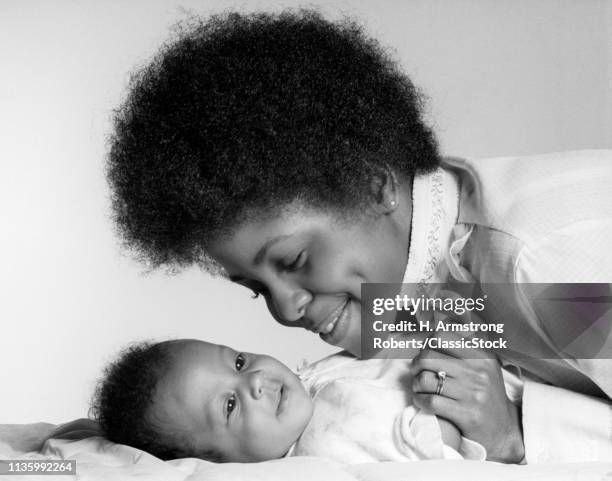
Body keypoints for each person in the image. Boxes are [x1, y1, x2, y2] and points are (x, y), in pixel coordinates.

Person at [105, 10, 612, 463]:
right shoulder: (394, 298)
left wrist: (513, 439)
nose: (285, 311)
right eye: (255, 288)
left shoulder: (537, 265)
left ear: (373, 184)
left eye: (294, 258)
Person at [93, 338, 510, 463]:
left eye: (238, 361)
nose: (255, 380)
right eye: (229, 406)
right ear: (218, 462)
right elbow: (441, 454)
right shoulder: (326, 450)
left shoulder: (314, 378)